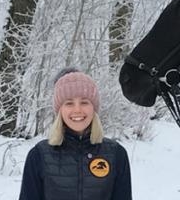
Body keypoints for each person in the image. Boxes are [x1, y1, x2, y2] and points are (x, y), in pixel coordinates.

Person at [19, 67, 132, 200]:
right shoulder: (39, 155)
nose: (77, 110)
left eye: (84, 102)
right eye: (69, 103)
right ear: (60, 110)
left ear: (93, 108)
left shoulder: (116, 154)